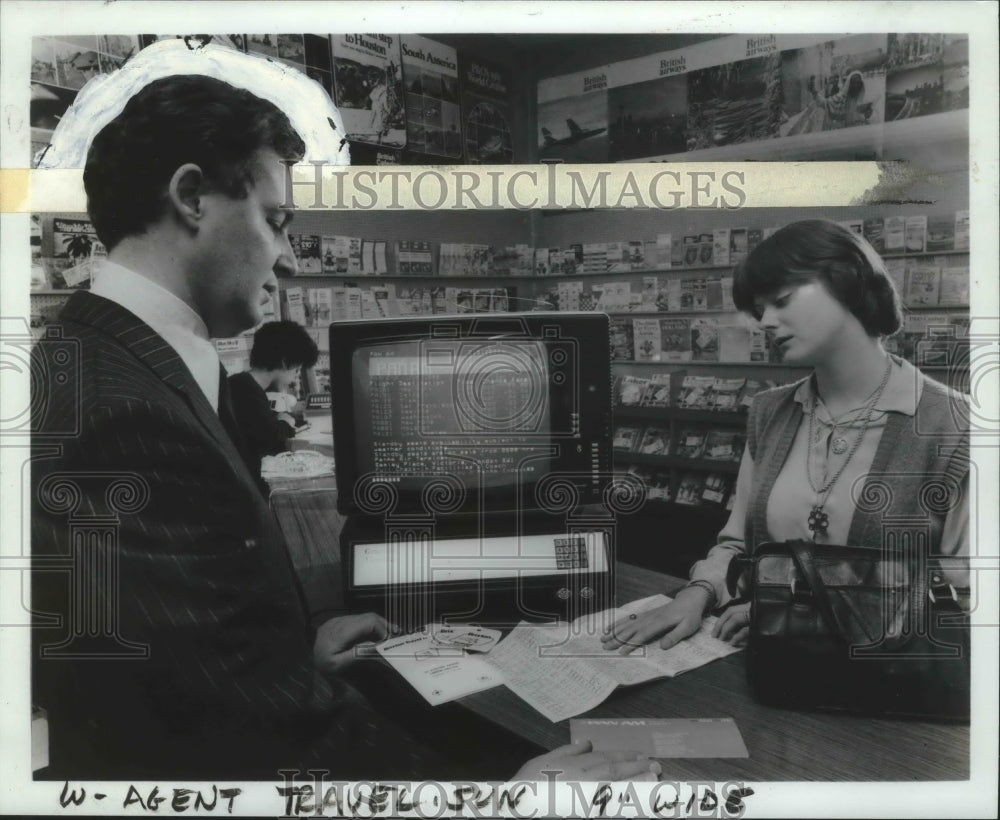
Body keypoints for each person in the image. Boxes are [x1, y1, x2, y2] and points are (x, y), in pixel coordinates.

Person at [31, 73, 655, 783]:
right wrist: (500, 796)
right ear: (192, 197)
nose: (287, 257)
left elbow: (181, 656)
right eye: (275, 220)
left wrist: (296, 650)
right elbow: (242, 729)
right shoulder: (122, 411)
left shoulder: (100, 358)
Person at [602, 219, 969, 654]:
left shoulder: (956, 424)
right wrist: (694, 594)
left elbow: (968, 590)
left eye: (782, 300)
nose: (766, 322)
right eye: (760, 311)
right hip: (768, 665)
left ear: (847, 280)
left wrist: (805, 614)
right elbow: (738, 542)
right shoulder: (770, 411)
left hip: (888, 691)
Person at [228, 319, 318, 486]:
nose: (294, 379)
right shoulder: (244, 388)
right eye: (296, 370)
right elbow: (273, 436)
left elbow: (260, 425)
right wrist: (286, 421)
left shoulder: (245, 385)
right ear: (285, 362)